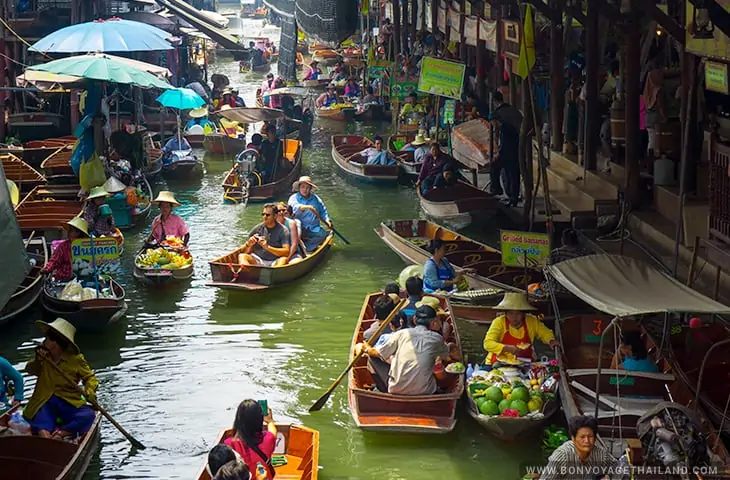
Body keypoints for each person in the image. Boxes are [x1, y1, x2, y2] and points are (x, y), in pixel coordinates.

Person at [354, 304, 460, 395]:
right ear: (433, 323)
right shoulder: (437, 338)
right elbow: (448, 357)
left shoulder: (401, 333)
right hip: (425, 391)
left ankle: (384, 392)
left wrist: (366, 348)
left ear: (414, 320)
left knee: (372, 359)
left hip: (396, 390)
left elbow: (376, 352)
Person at [24, 318, 98, 440]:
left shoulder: (76, 359)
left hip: (67, 401)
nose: (44, 342)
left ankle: (61, 433)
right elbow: (30, 370)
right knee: (41, 423)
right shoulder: (43, 357)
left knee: (88, 415)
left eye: (47, 339)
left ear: (56, 343)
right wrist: (38, 360)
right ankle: (47, 440)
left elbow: (90, 377)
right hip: (45, 400)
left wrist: (90, 390)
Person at [483, 292, 559, 365]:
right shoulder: (499, 322)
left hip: (524, 363)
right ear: (505, 313)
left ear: (523, 313)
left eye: (518, 313)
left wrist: (550, 340)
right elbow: (487, 344)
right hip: (497, 363)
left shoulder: (532, 321)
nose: (514, 317)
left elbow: (545, 332)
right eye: (510, 313)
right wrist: (507, 348)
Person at [539, 415, 618, 480]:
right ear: (573, 438)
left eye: (590, 436)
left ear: (594, 438)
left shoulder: (600, 454)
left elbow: (618, 469)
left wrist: (607, 478)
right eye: (582, 437)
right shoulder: (562, 455)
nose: (587, 441)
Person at [224, 399, 277, 479]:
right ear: (260, 419)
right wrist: (270, 421)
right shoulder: (268, 439)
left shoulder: (229, 444)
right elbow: (273, 432)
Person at [490, 91, 523, 206]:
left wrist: (498, 154)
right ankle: (512, 197)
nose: (493, 126)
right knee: (511, 175)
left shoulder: (504, 128)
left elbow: (504, 145)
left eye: (493, 123)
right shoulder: (512, 112)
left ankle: (498, 190)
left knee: (498, 167)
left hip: (510, 153)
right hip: (515, 151)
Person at [288, 176, 331, 252]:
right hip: (298, 228)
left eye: (307, 187)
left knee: (323, 235)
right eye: (303, 187)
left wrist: (327, 220)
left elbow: (323, 210)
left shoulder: (316, 199)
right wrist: (305, 207)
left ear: (310, 189)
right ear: (299, 188)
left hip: (312, 228)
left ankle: (307, 247)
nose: (305, 189)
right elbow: (293, 207)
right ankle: (297, 246)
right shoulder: (293, 198)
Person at [40, 217, 89, 281]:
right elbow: (54, 261)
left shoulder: (87, 246)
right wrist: (47, 269)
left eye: (71, 230)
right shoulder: (63, 246)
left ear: (78, 233)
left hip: (83, 278)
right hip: (65, 279)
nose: (68, 232)